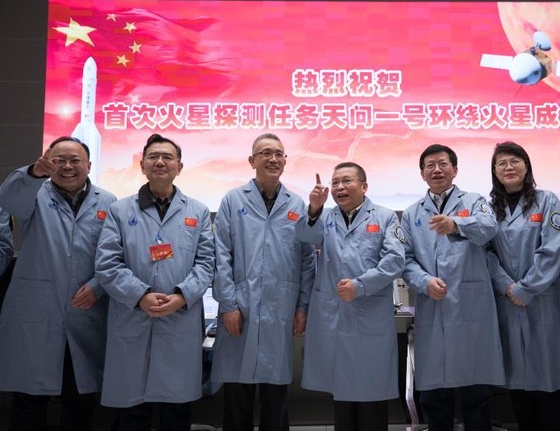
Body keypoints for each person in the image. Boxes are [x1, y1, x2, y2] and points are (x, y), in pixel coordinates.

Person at [95, 134, 215, 431]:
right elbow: (107, 263)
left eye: (167, 157)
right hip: (134, 315)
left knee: (176, 410)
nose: (160, 162)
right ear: (142, 165)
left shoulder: (197, 211)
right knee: (134, 412)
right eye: (153, 157)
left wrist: (182, 296)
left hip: (179, 318)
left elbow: (206, 263)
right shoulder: (120, 211)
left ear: (179, 167)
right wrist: (141, 296)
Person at [0, 136, 116, 431]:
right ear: (47, 163)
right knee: (28, 398)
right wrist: (32, 174)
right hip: (37, 312)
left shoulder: (108, 202)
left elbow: (115, 255)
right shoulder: (33, 192)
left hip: (85, 310)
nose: (67, 166)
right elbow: (9, 200)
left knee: (79, 399)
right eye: (59, 160)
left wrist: (98, 286)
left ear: (89, 165)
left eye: (75, 161)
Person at [211, 133, 315, 431]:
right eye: (265, 153)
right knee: (237, 398)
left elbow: (307, 260)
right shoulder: (233, 200)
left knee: (276, 400)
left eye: (279, 154)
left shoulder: (296, 204)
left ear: (285, 161)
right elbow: (221, 255)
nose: (273, 158)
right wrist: (228, 304)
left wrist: (303, 306)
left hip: (280, 311)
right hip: (239, 309)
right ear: (252, 160)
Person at [401, 144, 504, 431]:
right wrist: (424, 281)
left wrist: (456, 224)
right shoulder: (411, 213)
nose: (436, 170)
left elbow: (489, 228)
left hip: (471, 305)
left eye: (443, 164)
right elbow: (405, 258)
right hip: (433, 303)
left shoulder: (475, 200)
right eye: (430, 165)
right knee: (434, 393)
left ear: (455, 170)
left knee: (476, 391)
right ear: (422, 173)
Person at [295, 162, 404, 431]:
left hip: (369, 314)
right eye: (335, 183)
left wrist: (360, 286)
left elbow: (394, 261)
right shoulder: (325, 217)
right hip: (336, 314)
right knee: (342, 393)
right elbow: (305, 235)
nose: (339, 187)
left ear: (364, 186)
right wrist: (314, 208)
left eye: (346, 181)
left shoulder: (385, 217)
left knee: (371, 394)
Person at [486, 141, 560, 431]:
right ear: (494, 171)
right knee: (518, 383)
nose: (509, 167)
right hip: (508, 300)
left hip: (543, 298)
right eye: (502, 163)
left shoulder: (547, 200)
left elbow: (553, 249)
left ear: (527, 166)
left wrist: (526, 288)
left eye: (515, 161)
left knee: (547, 381)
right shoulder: (488, 209)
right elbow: (486, 253)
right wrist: (507, 286)